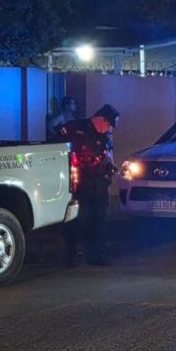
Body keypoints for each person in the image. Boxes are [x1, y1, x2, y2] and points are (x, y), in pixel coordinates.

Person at [61, 104, 119, 267]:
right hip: (81, 184)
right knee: (76, 220)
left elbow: (107, 154)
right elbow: (60, 148)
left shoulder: (105, 135)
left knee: (99, 220)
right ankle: (70, 255)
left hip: (99, 184)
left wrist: (110, 169)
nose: (109, 129)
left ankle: (96, 256)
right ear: (100, 119)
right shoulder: (76, 128)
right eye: (108, 124)